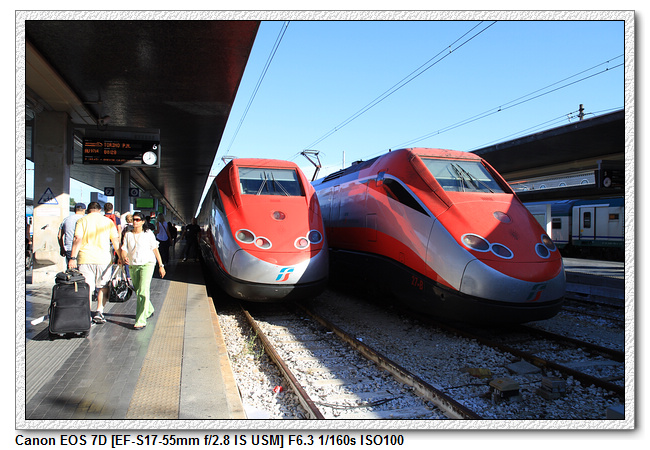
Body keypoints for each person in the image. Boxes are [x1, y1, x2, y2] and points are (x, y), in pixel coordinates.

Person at [68, 202, 122, 324]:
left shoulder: (82, 221)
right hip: (103, 260)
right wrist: (120, 256)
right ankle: (99, 311)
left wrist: (73, 257)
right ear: (100, 210)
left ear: (88, 210)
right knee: (103, 287)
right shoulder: (108, 222)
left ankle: (86, 313)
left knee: (87, 287)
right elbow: (115, 240)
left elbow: (77, 239)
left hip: (85, 259)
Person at [120, 212, 166, 329]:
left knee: (142, 291)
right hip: (133, 265)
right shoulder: (128, 234)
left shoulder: (148, 234)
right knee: (138, 290)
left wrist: (161, 265)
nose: (135, 222)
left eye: (137, 220)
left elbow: (155, 249)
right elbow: (124, 248)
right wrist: (124, 256)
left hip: (147, 264)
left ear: (142, 221)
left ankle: (140, 320)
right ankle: (149, 309)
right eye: (133, 220)